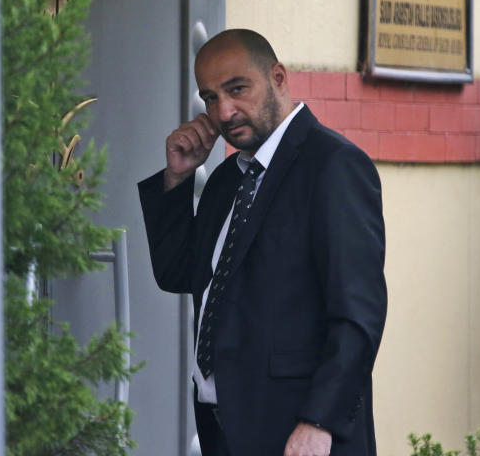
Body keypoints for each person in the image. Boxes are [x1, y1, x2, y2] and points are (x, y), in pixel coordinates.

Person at [138, 29, 387, 455]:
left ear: (277, 76)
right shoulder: (226, 178)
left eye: (237, 89)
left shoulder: (334, 165)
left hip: (299, 433)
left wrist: (319, 421)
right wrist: (177, 178)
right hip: (225, 430)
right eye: (211, 98)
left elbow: (357, 315)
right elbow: (180, 272)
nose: (225, 111)